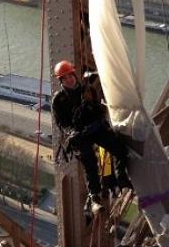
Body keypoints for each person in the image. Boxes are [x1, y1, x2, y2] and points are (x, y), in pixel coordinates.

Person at [51, 60, 132, 214]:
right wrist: (72, 133)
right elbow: (61, 123)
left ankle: (121, 178)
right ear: (61, 80)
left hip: (94, 128)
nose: (69, 79)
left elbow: (100, 112)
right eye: (65, 78)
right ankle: (94, 197)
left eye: (70, 76)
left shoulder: (87, 91)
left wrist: (96, 118)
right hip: (79, 135)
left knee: (119, 147)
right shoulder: (59, 100)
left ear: (74, 75)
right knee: (90, 161)